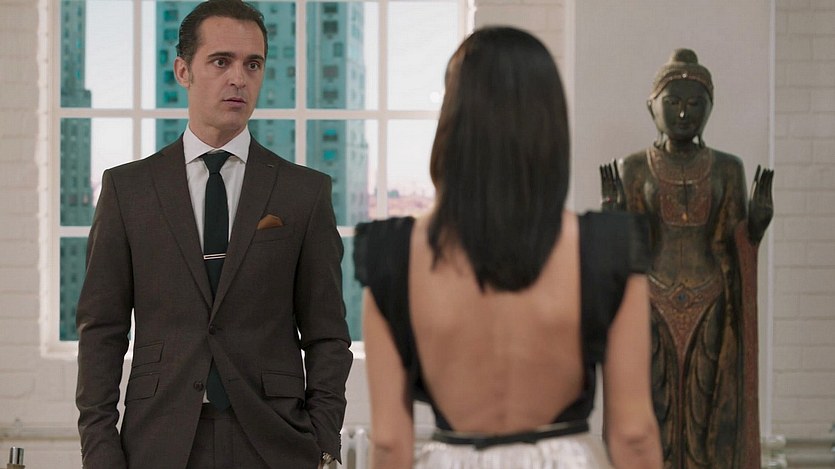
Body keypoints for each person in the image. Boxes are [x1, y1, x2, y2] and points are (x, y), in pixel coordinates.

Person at [353, 26, 662, 469]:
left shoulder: (391, 255)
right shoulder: (609, 248)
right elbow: (634, 434)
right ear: (550, 123)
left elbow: (388, 443)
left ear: (453, 121)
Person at [75, 1, 352, 468]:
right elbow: (102, 329)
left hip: (276, 442)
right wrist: (100, 451)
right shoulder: (128, 190)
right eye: (221, 61)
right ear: (183, 71)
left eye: (252, 64)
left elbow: (327, 334)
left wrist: (323, 440)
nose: (238, 78)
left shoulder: (304, 193)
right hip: (158, 441)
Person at [600, 49, 773, 468]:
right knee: (652, 404)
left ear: (710, 108)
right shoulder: (633, 167)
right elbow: (630, 250)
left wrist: (755, 226)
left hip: (711, 299)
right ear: (652, 107)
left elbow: (732, 244)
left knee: (708, 410)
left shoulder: (727, 169)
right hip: (651, 300)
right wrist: (614, 221)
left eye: (695, 104)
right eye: (673, 102)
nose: (683, 114)